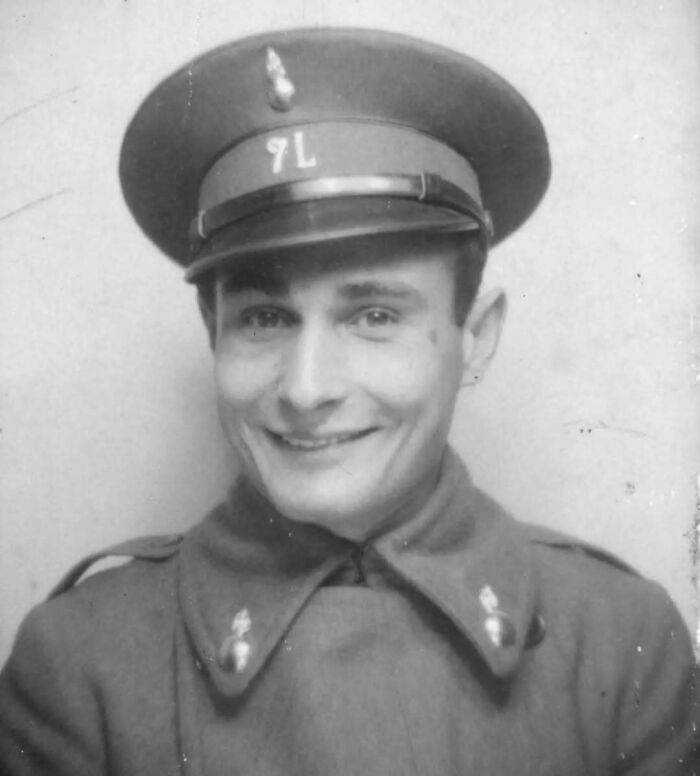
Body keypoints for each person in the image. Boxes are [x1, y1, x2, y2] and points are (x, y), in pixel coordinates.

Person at [0, 27, 697, 776]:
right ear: (213, 334)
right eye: (265, 319)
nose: (305, 390)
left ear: (478, 338)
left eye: (374, 316)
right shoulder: (79, 664)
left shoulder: (623, 644)